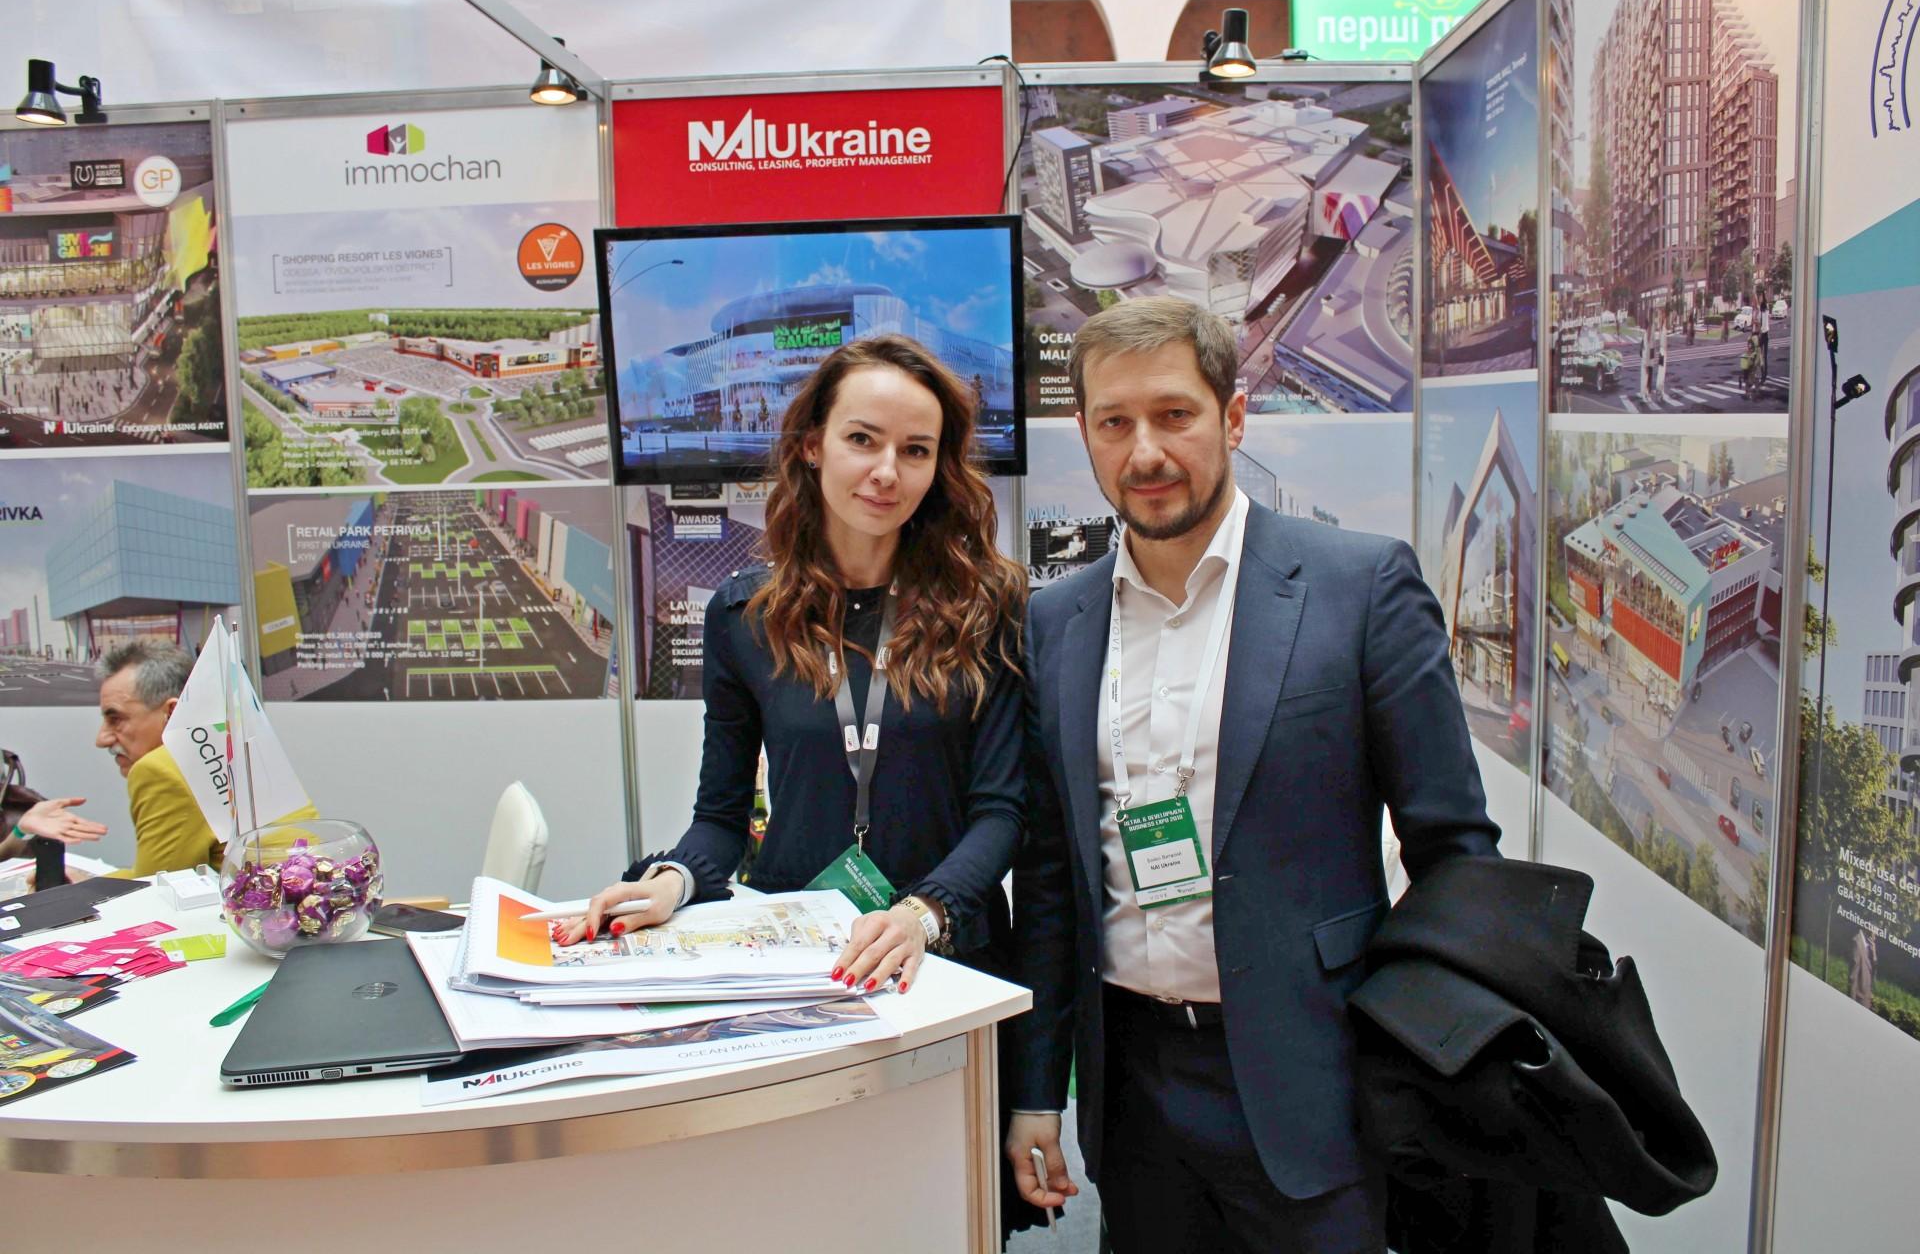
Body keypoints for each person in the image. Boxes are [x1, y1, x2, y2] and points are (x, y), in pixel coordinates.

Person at [1005, 296, 1501, 1253]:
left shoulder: (1360, 586)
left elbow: (1455, 853)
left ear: (1233, 417)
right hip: (1134, 1094)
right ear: (1087, 436)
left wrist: (1431, 1064)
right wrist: (1036, 1091)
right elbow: (1054, 878)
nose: (1146, 452)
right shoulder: (1056, 620)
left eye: (1174, 415)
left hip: (1315, 1082)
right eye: (1114, 423)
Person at [560, 335, 1045, 1230]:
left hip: (948, 958)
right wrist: (673, 880)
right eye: (863, 440)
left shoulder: (989, 606)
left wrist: (922, 913)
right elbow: (719, 816)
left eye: (915, 450)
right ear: (813, 445)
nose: (887, 472)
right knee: (805, 1211)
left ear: (940, 467)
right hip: (800, 967)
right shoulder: (745, 613)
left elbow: (1003, 810)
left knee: (947, 1215)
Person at [93, 638, 225, 875]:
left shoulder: (160, 770)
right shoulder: (228, 742)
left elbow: (154, 889)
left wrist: (80, 885)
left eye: (116, 719)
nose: (101, 739)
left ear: (172, 713)